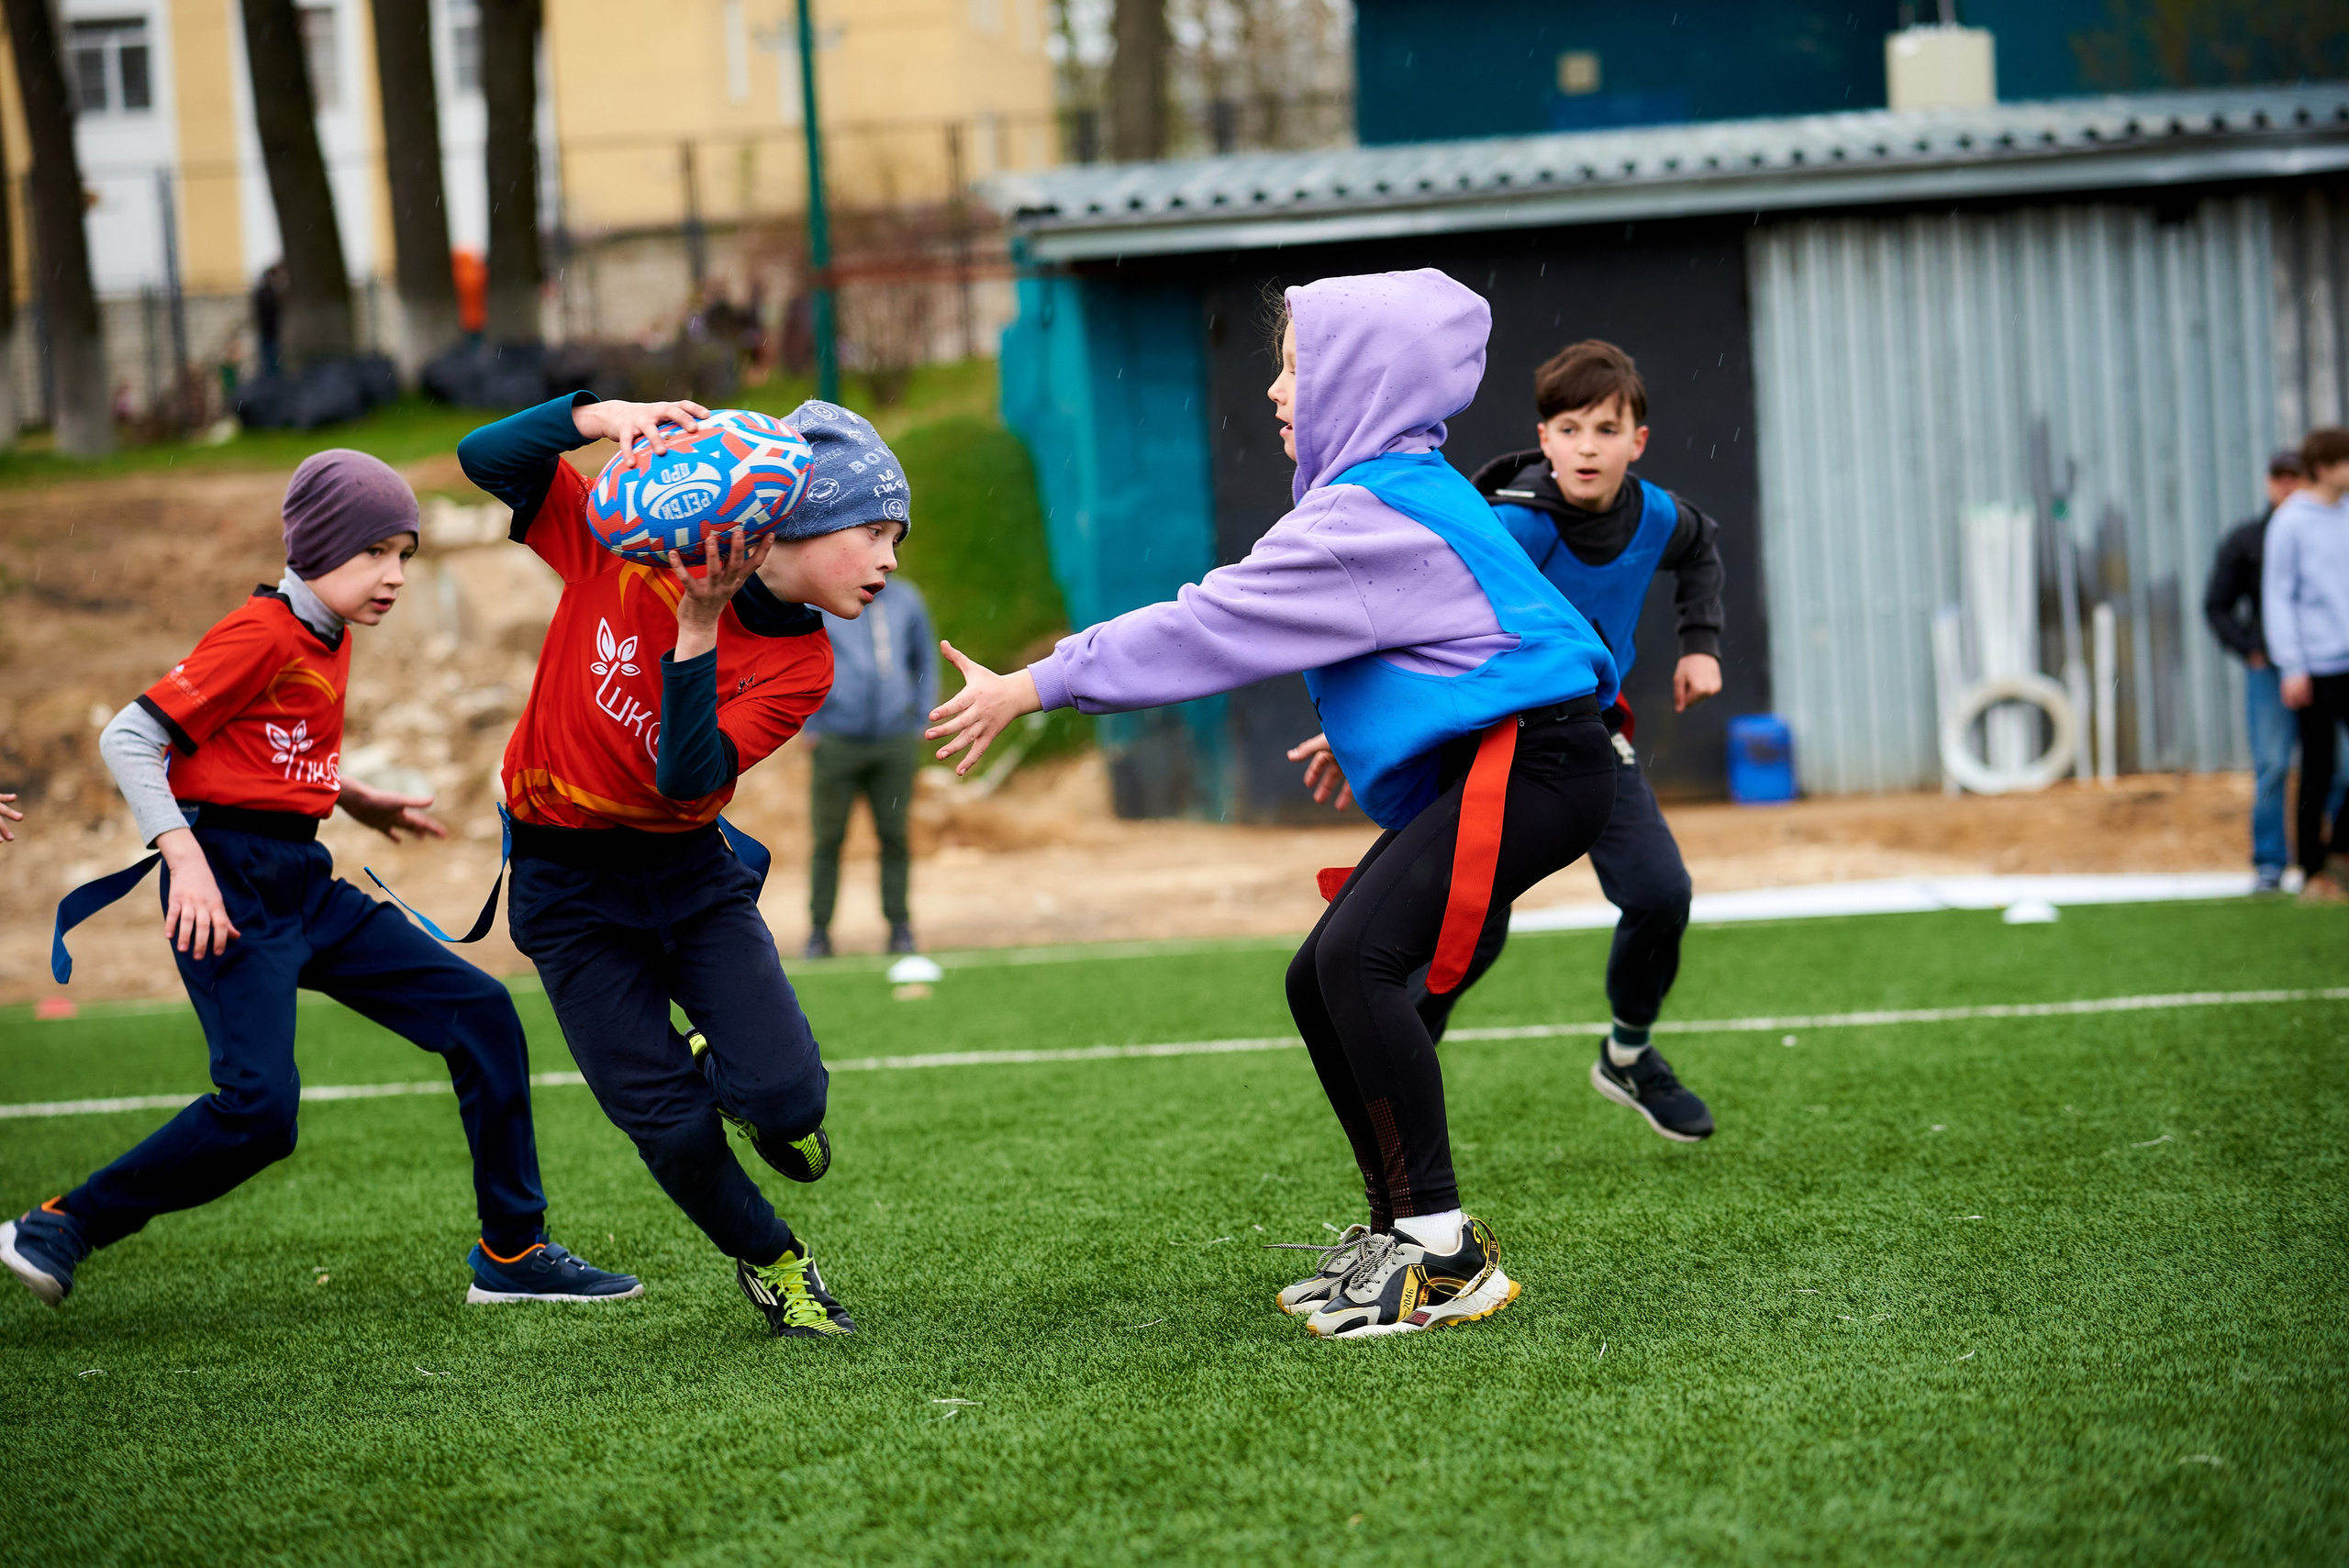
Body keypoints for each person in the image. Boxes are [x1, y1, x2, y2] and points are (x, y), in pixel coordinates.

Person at [928, 270, 1621, 1340]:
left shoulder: (1368, 510)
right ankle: (1402, 1231)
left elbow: (1205, 626)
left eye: (1296, 365)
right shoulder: (1399, 485)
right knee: (1321, 975)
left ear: (1359, 380)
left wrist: (1036, 682)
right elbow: (1480, 632)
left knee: (1356, 963)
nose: (1275, 389)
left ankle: (1439, 1249)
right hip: (1528, 756)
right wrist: (1398, 727)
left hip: (1538, 765)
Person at [7, 451, 640, 1310]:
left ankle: (513, 1251)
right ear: (316, 547)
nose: (395, 574)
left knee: (482, 1014)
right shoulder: (261, 632)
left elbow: (260, 751)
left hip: (302, 881)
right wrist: (185, 860)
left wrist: (353, 797)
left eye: (405, 554)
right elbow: (129, 736)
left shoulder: (328, 632)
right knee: (259, 1114)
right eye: (375, 551)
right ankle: (59, 1223)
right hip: (228, 891)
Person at [455, 392, 909, 1339]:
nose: (889, 560)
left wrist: (698, 627)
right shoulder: (626, 547)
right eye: (873, 531)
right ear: (796, 518)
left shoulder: (804, 666)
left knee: (791, 1101)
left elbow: (686, 779)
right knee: (669, 1125)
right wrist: (599, 415)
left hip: (688, 874)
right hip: (565, 888)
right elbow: (484, 453)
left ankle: (737, 1075)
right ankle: (776, 1259)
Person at [1289, 339, 1722, 1144]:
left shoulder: (1660, 516)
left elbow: (1700, 549)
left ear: (1638, 441)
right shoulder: (1510, 526)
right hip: (1489, 742)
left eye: (1605, 429)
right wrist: (1356, 726)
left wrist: (1700, 644)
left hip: (1588, 739)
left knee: (1662, 893)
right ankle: (1397, 1056)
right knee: (1468, 928)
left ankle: (1629, 1055)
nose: (1586, 447)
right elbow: (1418, 617)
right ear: (1543, 436)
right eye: (1569, 428)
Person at [2205, 448, 2345, 893]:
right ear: (2268, 482)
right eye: (2278, 477)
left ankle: (2331, 859)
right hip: (2271, 667)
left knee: (2334, 766)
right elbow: (2218, 605)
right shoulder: (2248, 538)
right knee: (2273, 763)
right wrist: (2250, 649)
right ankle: (2270, 861)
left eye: (2293, 476)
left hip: (2322, 664)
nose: (2286, 484)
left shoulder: (2327, 525)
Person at [803, 573, 937, 958]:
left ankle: (900, 927)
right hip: (836, 742)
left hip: (895, 742)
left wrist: (920, 719)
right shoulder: (824, 598)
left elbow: (924, 660)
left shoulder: (908, 600)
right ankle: (819, 931)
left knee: (894, 836)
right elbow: (801, 658)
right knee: (828, 839)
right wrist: (811, 724)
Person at [2264, 426, 2349, 903]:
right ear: (2323, 468)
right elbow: (2278, 596)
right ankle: (2313, 871)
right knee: (2318, 768)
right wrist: (2292, 665)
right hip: (2314, 665)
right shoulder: (2292, 521)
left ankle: (2340, 850)